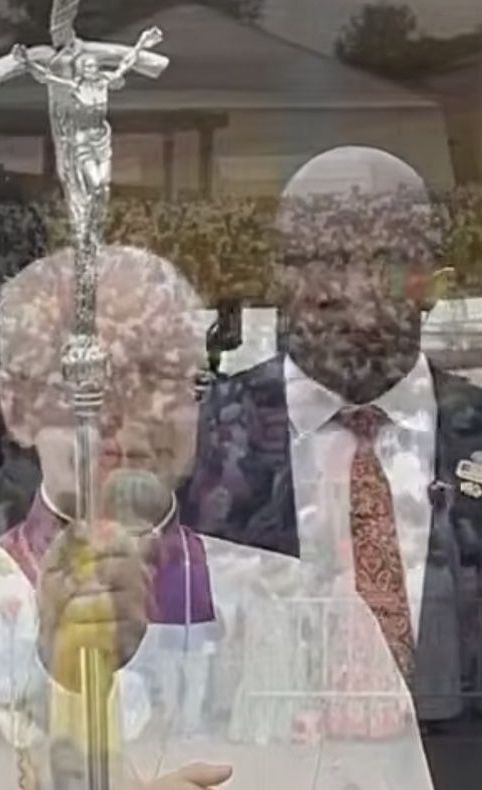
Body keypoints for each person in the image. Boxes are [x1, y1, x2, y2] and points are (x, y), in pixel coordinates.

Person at [0, 245, 432, 789]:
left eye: (167, 377)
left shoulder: (316, 613)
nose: (135, 411)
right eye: (94, 377)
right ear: (17, 404)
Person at [183, 146, 479, 762]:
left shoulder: (473, 430)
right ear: (279, 277)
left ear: (428, 277)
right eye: (316, 261)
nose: (342, 292)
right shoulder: (199, 440)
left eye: (379, 261)